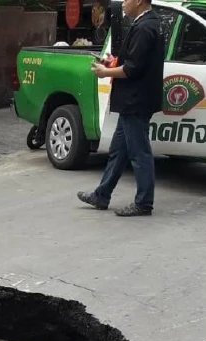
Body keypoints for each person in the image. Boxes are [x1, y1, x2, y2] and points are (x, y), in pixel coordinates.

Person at [77, 0, 164, 217]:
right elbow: (134, 62)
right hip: (133, 100)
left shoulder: (145, 27)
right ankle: (102, 195)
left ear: (140, 1)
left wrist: (105, 72)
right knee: (118, 151)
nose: (123, 3)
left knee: (139, 152)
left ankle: (144, 203)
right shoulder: (147, 23)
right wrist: (112, 63)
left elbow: (133, 69)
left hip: (135, 100)